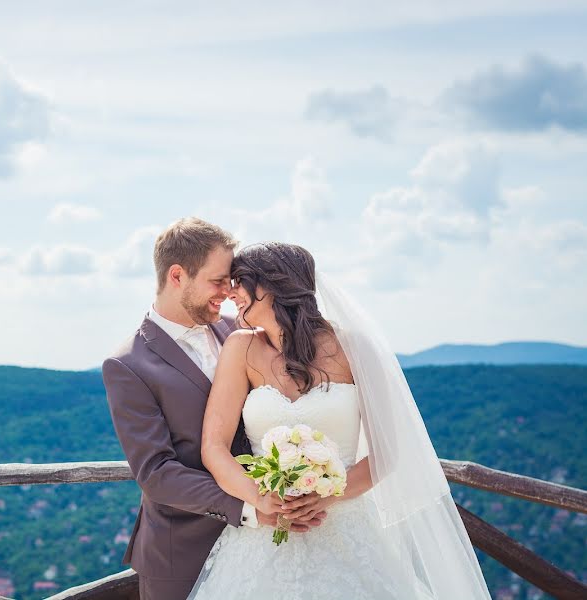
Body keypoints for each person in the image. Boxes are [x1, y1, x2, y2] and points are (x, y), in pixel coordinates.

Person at [189, 242, 490, 599]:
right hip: (264, 531)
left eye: (240, 281)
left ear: (272, 285)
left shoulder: (353, 347)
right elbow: (213, 447)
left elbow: (387, 453)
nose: (231, 293)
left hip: (347, 529)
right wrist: (263, 501)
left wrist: (328, 496)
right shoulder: (239, 348)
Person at [102, 220, 326, 600]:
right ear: (177, 276)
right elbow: (156, 473)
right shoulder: (127, 364)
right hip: (183, 550)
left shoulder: (243, 332)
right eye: (219, 281)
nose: (230, 291)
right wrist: (251, 505)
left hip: (271, 545)